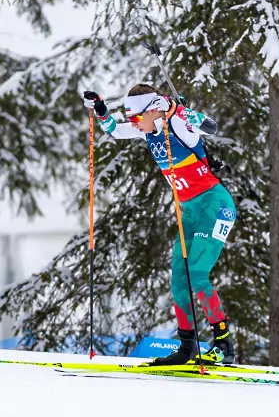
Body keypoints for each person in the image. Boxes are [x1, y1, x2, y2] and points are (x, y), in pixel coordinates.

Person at [82, 84, 238, 365]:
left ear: (152, 110)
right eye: (132, 119)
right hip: (188, 211)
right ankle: (187, 347)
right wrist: (101, 110)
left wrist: (175, 108)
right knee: (179, 279)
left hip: (215, 205)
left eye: (136, 118)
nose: (134, 124)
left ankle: (224, 345)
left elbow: (209, 127)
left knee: (197, 273)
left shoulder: (178, 124)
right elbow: (115, 130)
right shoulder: (148, 131)